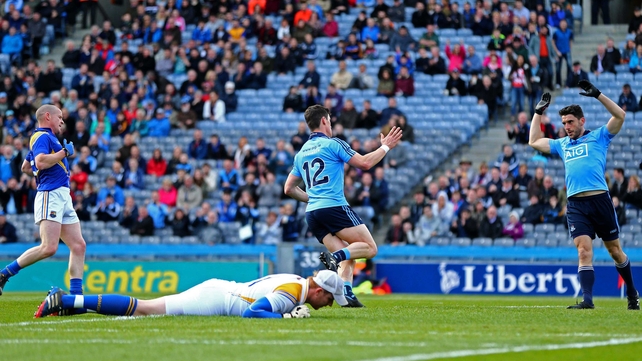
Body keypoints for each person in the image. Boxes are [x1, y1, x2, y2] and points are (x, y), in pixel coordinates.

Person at [528, 84, 639, 310]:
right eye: (564, 123)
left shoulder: (599, 136)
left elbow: (620, 115)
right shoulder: (562, 144)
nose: (566, 127)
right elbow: (534, 141)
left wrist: (598, 95)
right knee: (583, 250)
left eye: (570, 122)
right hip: (576, 204)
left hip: (600, 201)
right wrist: (538, 113)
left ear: (582, 121)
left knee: (615, 252)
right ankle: (587, 301)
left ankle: (631, 291)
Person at [284, 105, 402, 307]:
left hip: (312, 214)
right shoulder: (333, 144)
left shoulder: (301, 153)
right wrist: (385, 147)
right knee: (369, 248)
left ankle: (347, 295)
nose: (330, 124)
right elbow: (364, 163)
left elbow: (288, 188)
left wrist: (312, 198)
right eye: (329, 121)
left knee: (350, 253)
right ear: (324, 121)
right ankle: (334, 257)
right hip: (333, 207)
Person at [0, 105, 87, 299]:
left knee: (79, 245)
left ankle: (76, 297)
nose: (62, 121)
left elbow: (26, 166)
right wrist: (64, 152)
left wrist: (41, 161)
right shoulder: (42, 136)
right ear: (48, 116)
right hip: (51, 194)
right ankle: (4, 273)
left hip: (62, 195)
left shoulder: (45, 138)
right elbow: (38, 163)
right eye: (60, 117)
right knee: (49, 247)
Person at [35, 270, 346, 318]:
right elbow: (254, 313)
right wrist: (286, 319)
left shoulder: (297, 283)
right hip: (216, 298)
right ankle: (66, 300)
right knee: (144, 308)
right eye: (329, 298)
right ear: (318, 290)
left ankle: (70, 302)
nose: (329, 303)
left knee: (144, 308)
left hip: (220, 292)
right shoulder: (294, 292)